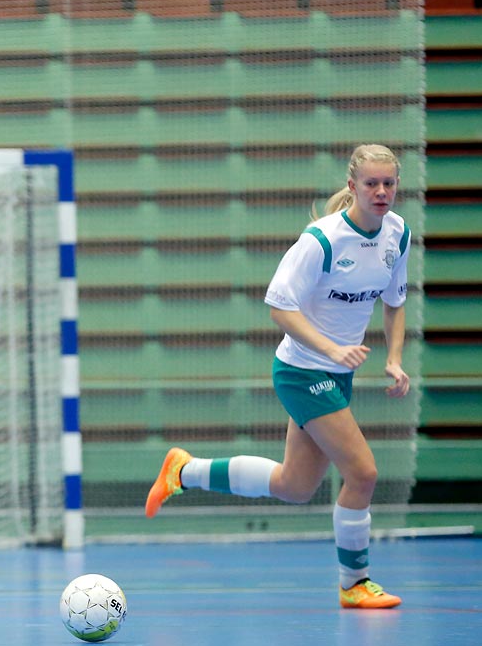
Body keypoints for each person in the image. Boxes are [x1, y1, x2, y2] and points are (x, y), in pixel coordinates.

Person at [145, 144, 411, 610]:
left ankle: (183, 472)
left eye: (389, 183)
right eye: (372, 183)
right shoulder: (321, 240)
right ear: (352, 187)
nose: (382, 191)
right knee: (363, 473)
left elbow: (395, 301)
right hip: (303, 370)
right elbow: (279, 307)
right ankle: (355, 583)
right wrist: (331, 349)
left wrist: (394, 358)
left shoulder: (397, 234)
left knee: (295, 486)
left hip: (334, 373)